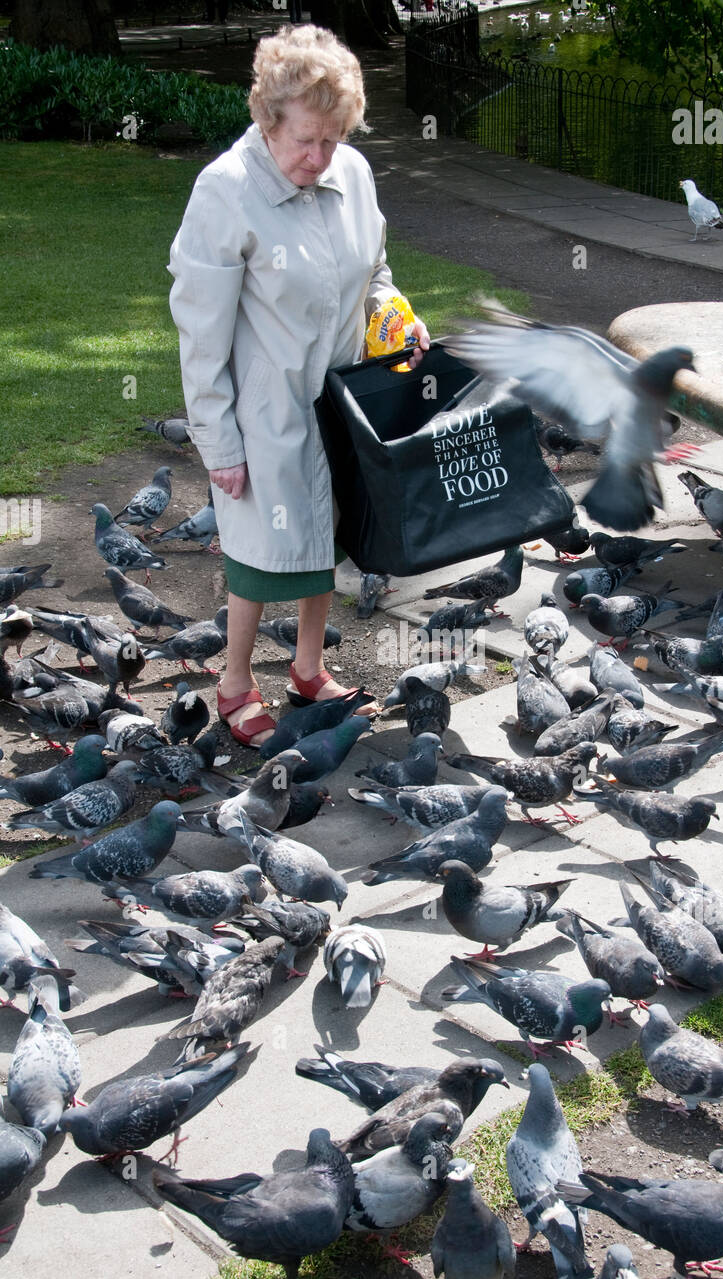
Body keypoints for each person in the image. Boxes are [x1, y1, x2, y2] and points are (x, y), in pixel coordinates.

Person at [168, 25, 429, 745]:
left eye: (333, 141)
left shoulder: (353, 173)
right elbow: (200, 333)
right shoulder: (224, 192)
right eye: (305, 141)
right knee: (260, 555)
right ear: (266, 120)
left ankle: (309, 670)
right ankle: (233, 682)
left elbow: (374, 271)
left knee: (329, 537)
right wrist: (218, 440)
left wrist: (391, 313)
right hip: (265, 410)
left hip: (340, 398)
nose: (319, 159)